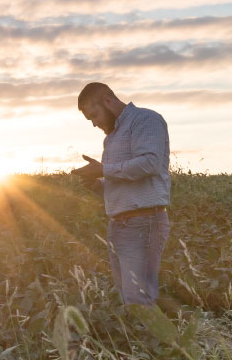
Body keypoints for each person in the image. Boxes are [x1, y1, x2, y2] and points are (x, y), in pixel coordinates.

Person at [72, 82, 171, 306]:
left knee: (139, 298)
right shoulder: (111, 138)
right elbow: (120, 182)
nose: (94, 124)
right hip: (119, 225)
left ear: (108, 100)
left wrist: (103, 169)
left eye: (94, 116)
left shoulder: (146, 120)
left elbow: (150, 163)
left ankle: (158, 340)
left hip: (143, 222)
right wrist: (97, 185)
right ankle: (142, 340)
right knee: (128, 298)